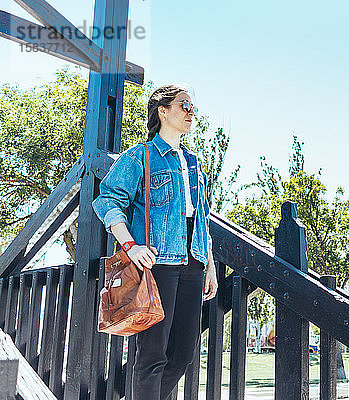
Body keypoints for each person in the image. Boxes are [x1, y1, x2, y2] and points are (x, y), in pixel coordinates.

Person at [92, 84, 218, 399]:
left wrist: (210, 266)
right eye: (184, 106)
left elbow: (201, 218)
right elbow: (107, 202)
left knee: (183, 355)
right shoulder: (140, 156)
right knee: (151, 357)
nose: (192, 113)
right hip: (157, 264)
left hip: (193, 263)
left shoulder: (193, 163)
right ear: (162, 110)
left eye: (194, 107)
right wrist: (130, 246)